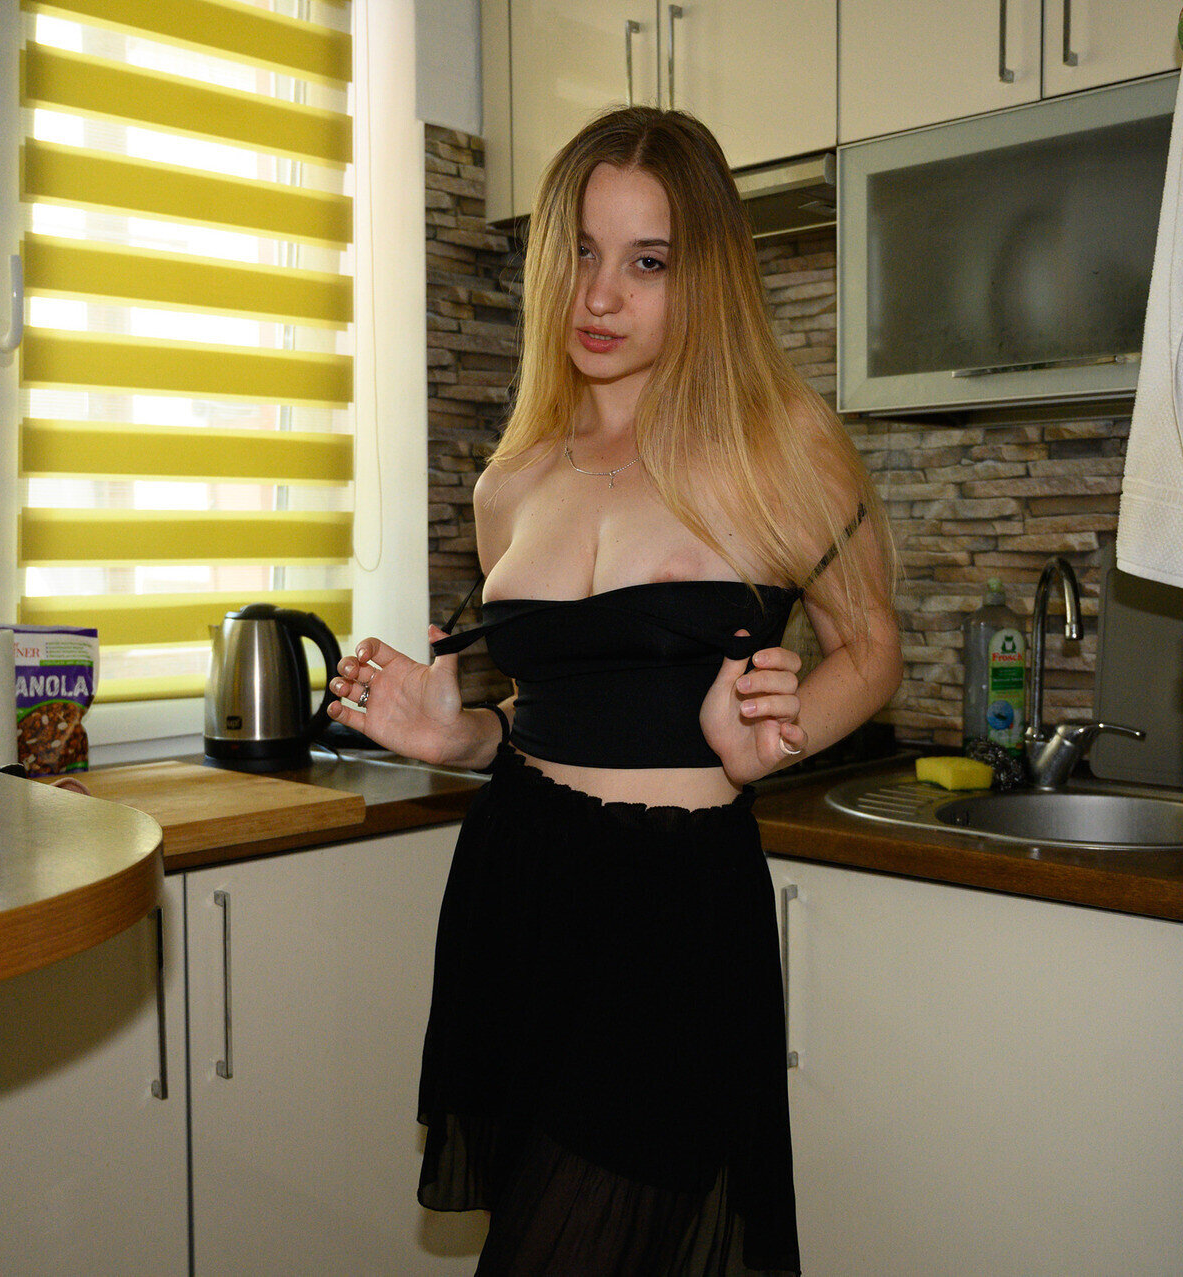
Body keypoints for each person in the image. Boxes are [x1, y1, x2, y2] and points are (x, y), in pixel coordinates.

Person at [324, 106, 902, 1276]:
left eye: (648, 262)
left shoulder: (780, 443)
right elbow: (557, 712)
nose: (599, 294)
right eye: (582, 251)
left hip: (673, 924)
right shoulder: (511, 477)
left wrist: (778, 734)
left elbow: (873, 647)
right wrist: (461, 735)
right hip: (518, 895)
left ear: (707, 277)